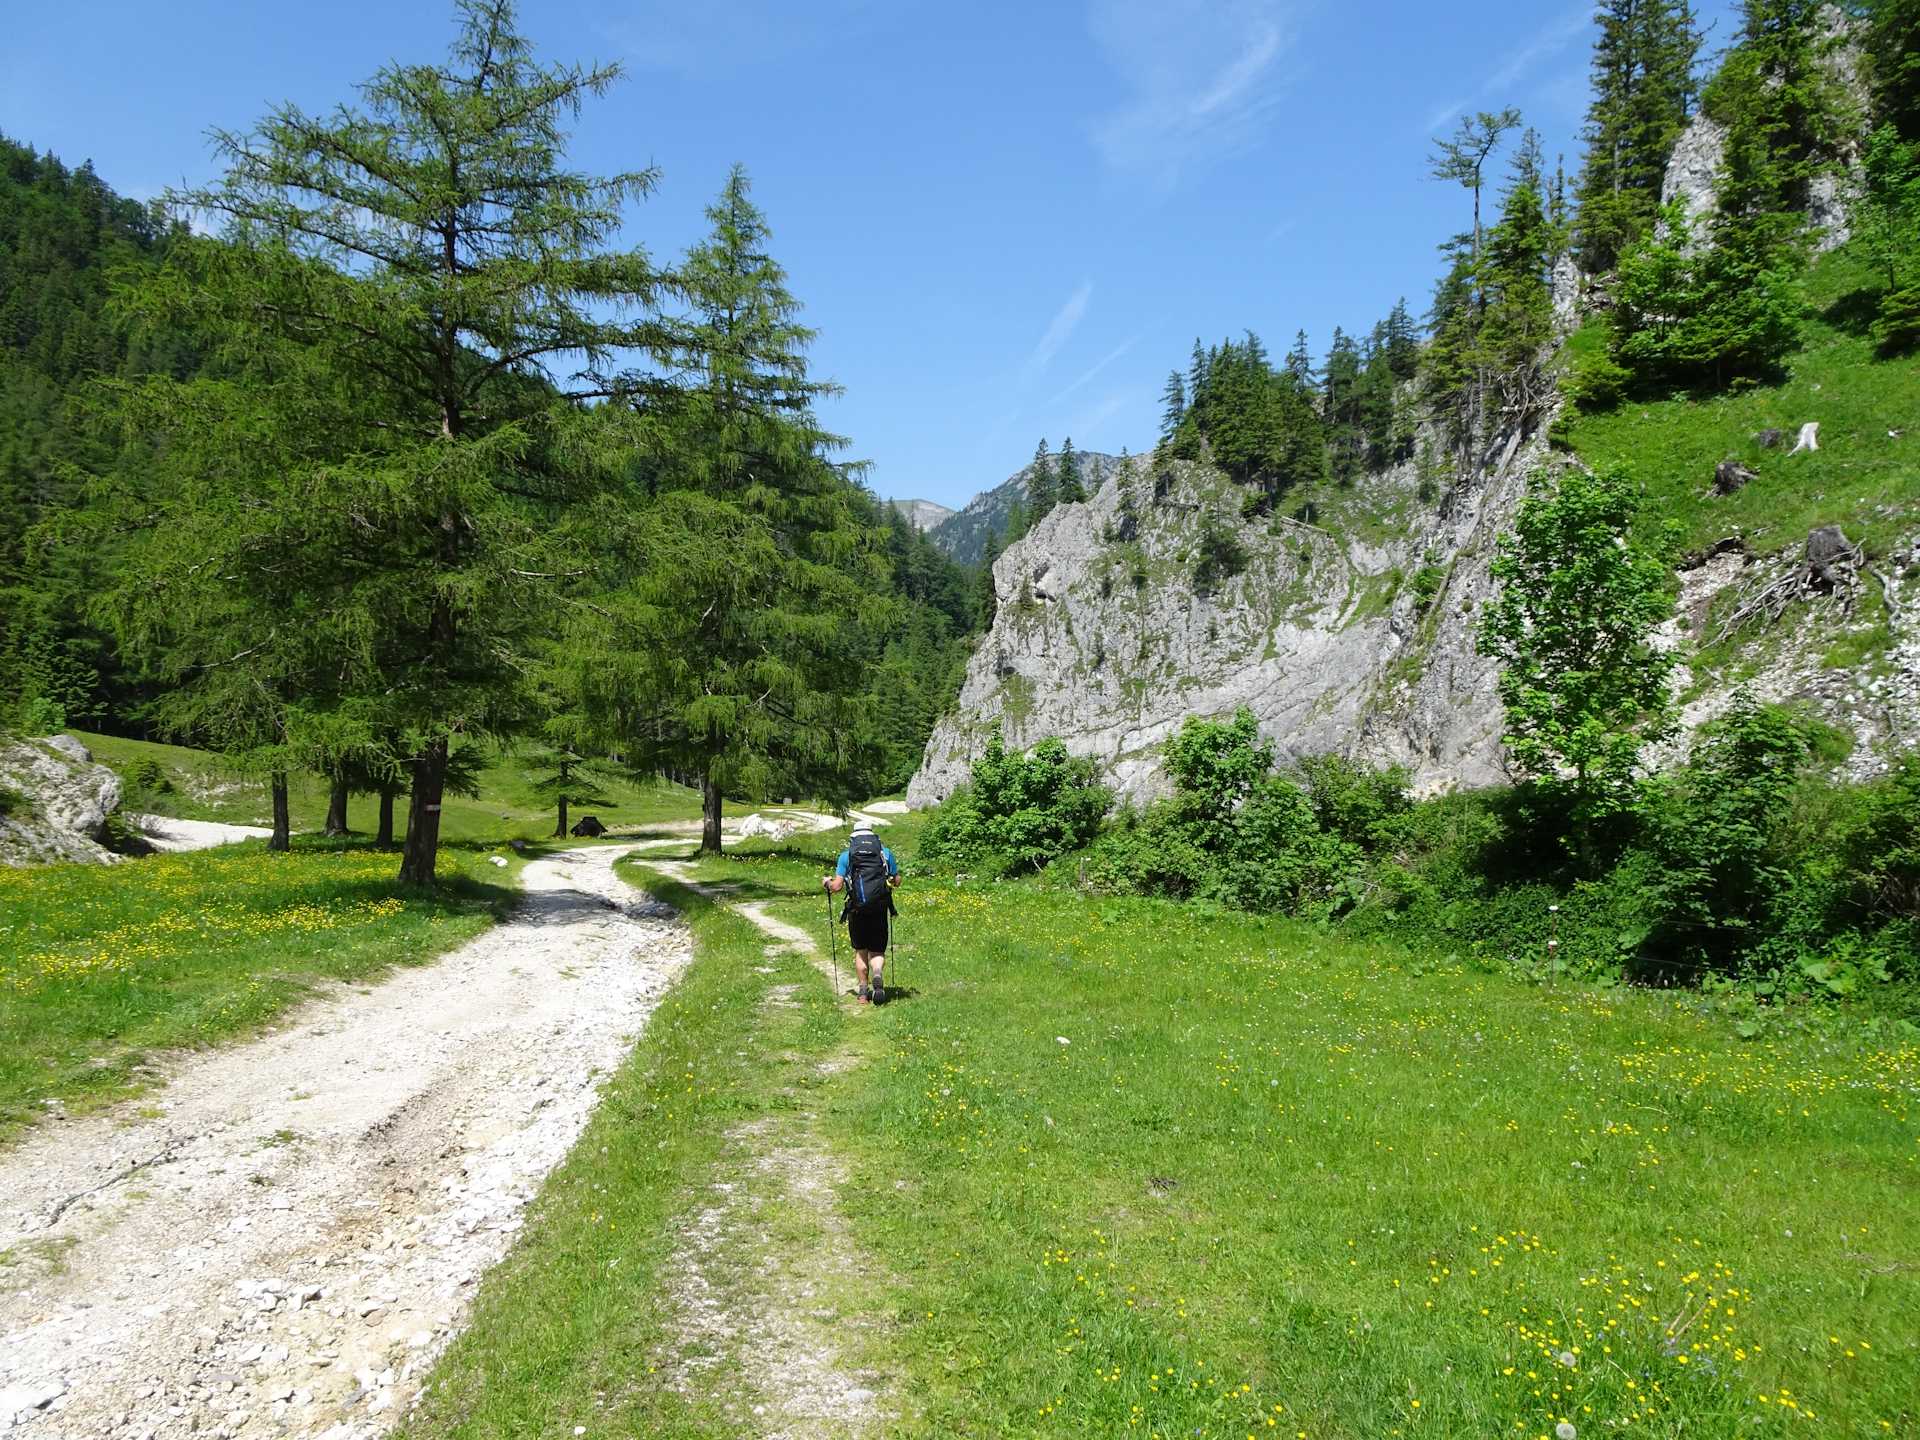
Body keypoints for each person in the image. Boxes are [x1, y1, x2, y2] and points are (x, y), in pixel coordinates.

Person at [823, 821, 899, 1004]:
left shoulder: (846, 856)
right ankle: (877, 973)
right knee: (877, 950)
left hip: (857, 909)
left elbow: (837, 886)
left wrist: (827, 882)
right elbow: (896, 881)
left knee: (861, 951)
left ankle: (863, 993)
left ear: (854, 837)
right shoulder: (885, 853)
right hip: (879, 908)